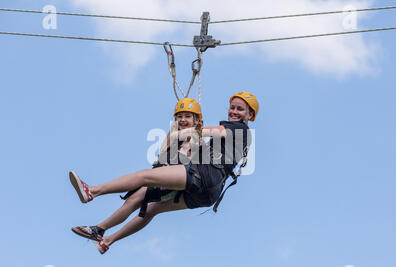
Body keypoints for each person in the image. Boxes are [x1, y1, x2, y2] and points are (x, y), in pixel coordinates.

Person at [70, 92, 259, 254]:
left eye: (239, 109)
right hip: (209, 193)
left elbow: (211, 132)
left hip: (203, 177)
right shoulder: (233, 137)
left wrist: (187, 131)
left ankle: (92, 192)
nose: (234, 112)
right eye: (232, 107)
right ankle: (106, 239)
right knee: (152, 208)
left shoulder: (239, 129)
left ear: (249, 115)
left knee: (145, 177)